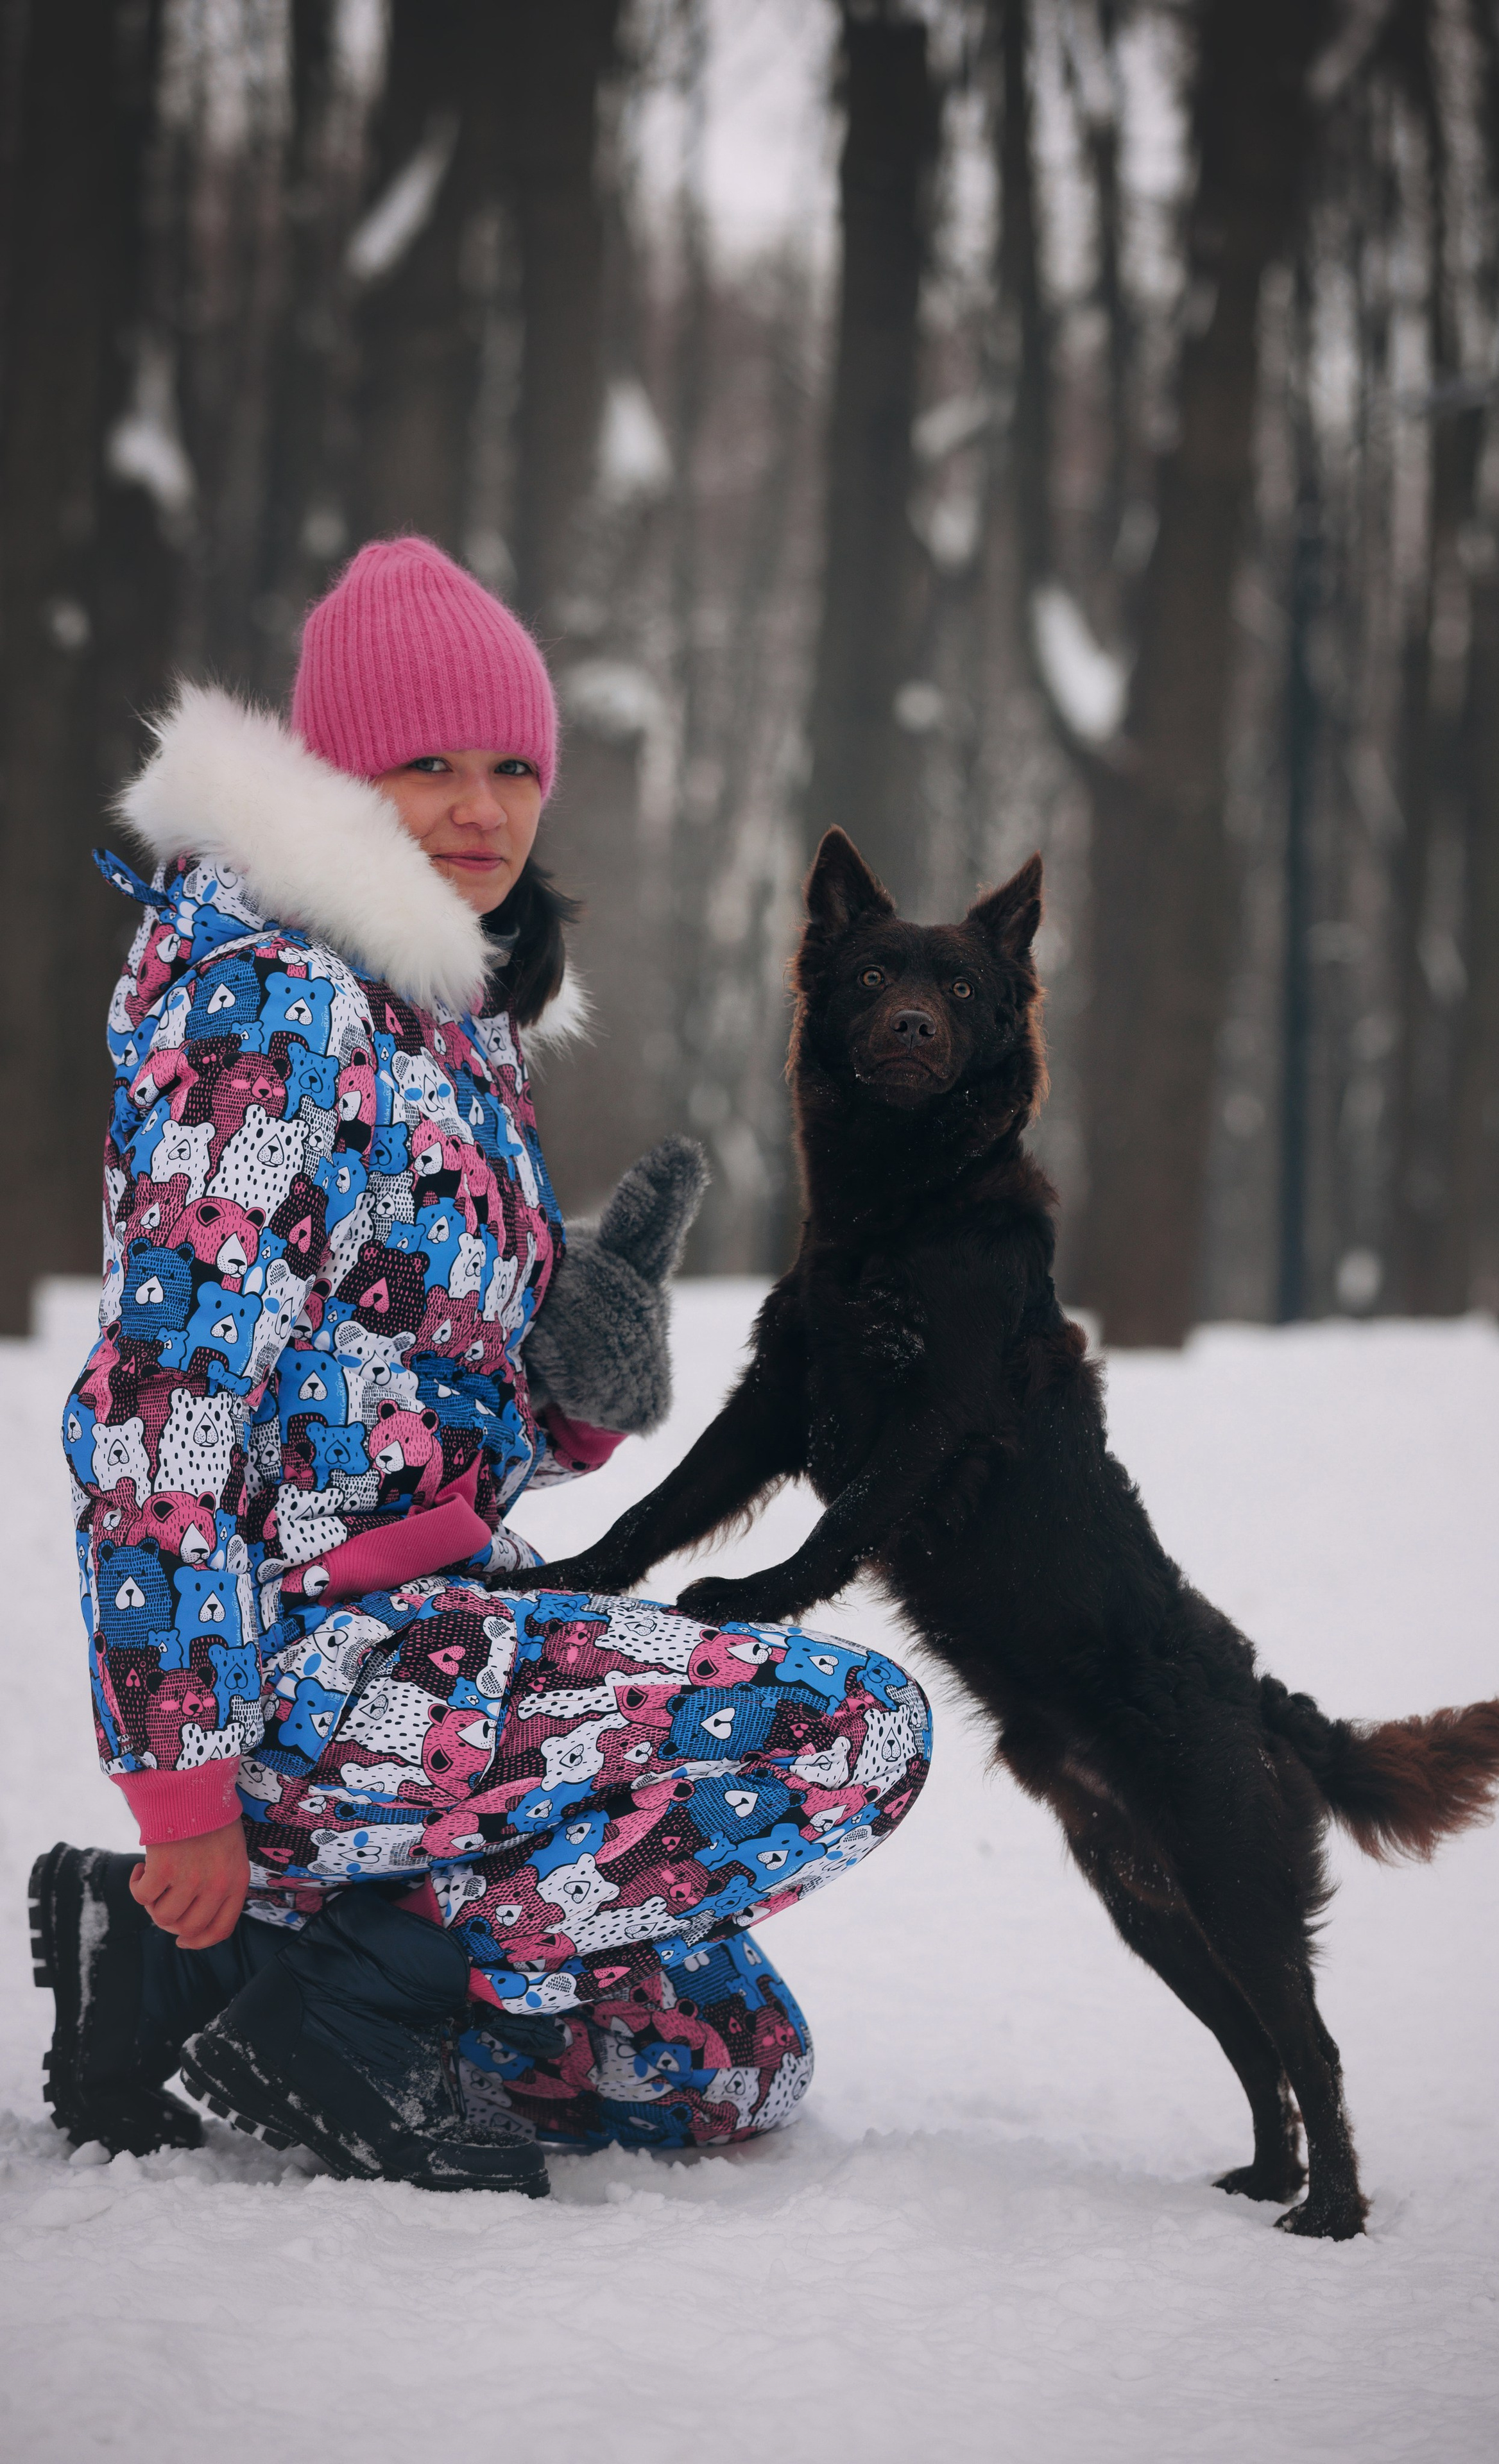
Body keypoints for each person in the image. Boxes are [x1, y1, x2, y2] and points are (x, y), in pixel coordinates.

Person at [33, 536, 931, 2196]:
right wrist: (180, 1782)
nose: (482, 805)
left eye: (514, 765)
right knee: (853, 1732)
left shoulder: (442, 1020)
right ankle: (359, 2008)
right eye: (427, 762)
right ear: (333, 773)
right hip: (306, 1673)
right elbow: (167, 1415)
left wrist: (567, 1392)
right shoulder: (275, 1019)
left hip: (441, 1633)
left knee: (730, 2066)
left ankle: (189, 1979)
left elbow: (386, 1399)